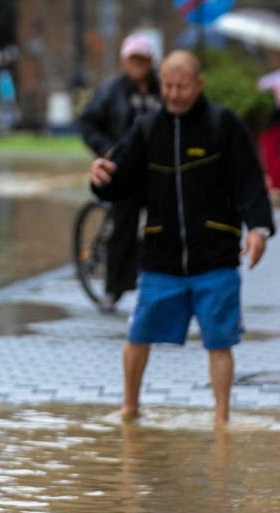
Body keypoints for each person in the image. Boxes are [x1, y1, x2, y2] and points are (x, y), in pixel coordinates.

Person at [89, 51, 275, 427]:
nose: (173, 94)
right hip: (162, 258)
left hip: (216, 257)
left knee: (219, 341)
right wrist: (101, 178)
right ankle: (129, 409)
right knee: (137, 334)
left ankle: (222, 418)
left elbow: (250, 181)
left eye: (181, 86)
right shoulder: (146, 129)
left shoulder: (224, 125)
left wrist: (258, 228)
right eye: (167, 86)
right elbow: (119, 182)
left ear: (199, 83)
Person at [77, 33, 161, 312]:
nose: (138, 64)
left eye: (143, 59)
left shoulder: (162, 89)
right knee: (122, 227)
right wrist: (108, 150)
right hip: (124, 169)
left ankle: (161, 282)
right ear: (125, 61)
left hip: (157, 169)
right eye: (133, 59)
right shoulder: (111, 90)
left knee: (165, 223)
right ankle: (114, 288)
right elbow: (88, 123)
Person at [256, 54, 280, 204]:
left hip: (274, 119)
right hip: (276, 119)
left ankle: (278, 184)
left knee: (272, 151)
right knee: (271, 151)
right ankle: (277, 183)